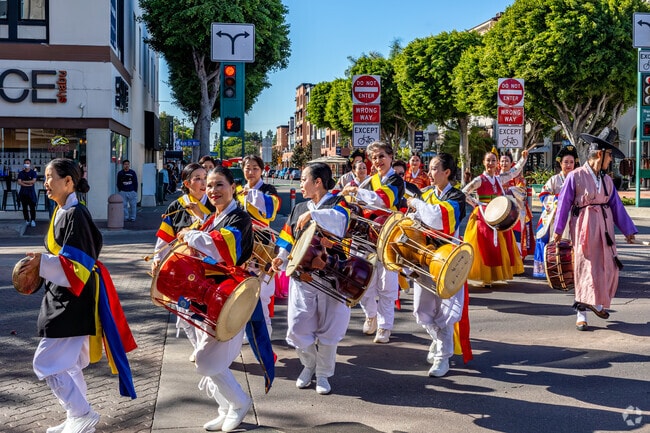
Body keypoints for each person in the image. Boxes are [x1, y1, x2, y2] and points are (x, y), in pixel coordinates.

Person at [20, 158, 136, 433]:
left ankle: (82, 413)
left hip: (73, 298)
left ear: (68, 182)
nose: (45, 182)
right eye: (45, 176)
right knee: (69, 364)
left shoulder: (75, 214)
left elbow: (79, 266)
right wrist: (43, 262)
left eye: (50, 177)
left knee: (46, 362)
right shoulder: (63, 211)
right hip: (64, 295)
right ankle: (77, 419)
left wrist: (42, 262)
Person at [176, 166, 255, 432]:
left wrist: (190, 234)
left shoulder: (240, 218)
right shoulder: (213, 218)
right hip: (209, 294)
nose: (213, 191)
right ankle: (226, 407)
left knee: (207, 359)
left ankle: (240, 401)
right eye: (209, 186)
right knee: (207, 356)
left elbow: (220, 247)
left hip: (230, 295)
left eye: (219, 185)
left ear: (233, 187)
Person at [271, 162, 352, 395]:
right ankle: (309, 365)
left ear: (318, 182)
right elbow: (288, 235)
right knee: (297, 327)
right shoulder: (298, 208)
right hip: (302, 275)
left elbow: (339, 223)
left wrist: (314, 213)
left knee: (330, 327)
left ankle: (324, 374)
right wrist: (282, 256)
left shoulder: (339, 203)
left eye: (304, 179)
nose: (300, 184)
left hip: (331, 275)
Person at [553, 133, 637, 332]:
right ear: (599, 155)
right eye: (609, 156)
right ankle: (581, 313)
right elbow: (564, 204)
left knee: (608, 266)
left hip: (605, 226)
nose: (610, 161)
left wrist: (628, 230)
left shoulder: (607, 180)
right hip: (584, 226)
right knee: (585, 267)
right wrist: (558, 230)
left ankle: (597, 301)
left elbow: (616, 206)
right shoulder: (575, 176)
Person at [406, 153, 471, 377]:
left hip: (447, 261)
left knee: (446, 310)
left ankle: (443, 356)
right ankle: (438, 341)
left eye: (434, 169)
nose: (430, 173)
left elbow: (438, 219)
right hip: (424, 258)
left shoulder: (456, 197)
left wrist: (415, 203)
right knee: (421, 309)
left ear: (447, 173)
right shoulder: (426, 194)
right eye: (430, 168)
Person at [341, 141, 404, 344]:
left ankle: (385, 327)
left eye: (382, 156)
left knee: (387, 284)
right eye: (374, 157)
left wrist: (356, 193)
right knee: (360, 280)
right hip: (363, 235)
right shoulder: (367, 182)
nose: (378, 161)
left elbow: (382, 201)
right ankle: (371, 314)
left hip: (388, 236)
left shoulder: (395, 181)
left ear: (391, 157)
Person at [153, 163, 215, 361]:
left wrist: (202, 215)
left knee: (207, 314)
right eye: (197, 178)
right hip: (183, 268)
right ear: (187, 183)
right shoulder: (177, 206)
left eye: (205, 177)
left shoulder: (215, 203)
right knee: (184, 313)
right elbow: (164, 237)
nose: (203, 182)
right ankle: (199, 348)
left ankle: (207, 350)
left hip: (211, 268)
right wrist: (157, 258)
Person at [462, 149, 528, 287]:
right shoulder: (479, 180)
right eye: (488, 160)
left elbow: (514, 172)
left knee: (500, 245)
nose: (490, 163)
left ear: (497, 163)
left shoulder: (499, 179)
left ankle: (494, 275)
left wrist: (523, 159)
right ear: (483, 163)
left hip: (498, 214)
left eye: (493, 161)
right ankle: (486, 276)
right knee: (486, 245)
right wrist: (476, 204)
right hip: (484, 215)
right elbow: (463, 193)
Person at [239, 155, 281, 337]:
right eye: (247, 168)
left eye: (255, 168)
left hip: (264, 241)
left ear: (262, 170)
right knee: (243, 288)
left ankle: (265, 329)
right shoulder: (238, 190)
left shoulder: (267, 189)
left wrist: (252, 195)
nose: (251, 172)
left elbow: (272, 210)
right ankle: (246, 331)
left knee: (263, 289)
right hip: (242, 242)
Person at [532, 145, 579, 278]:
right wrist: (559, 200)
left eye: (571, 162)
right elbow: (543, 195)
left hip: (572, 215)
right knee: (545, 236)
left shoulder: (577, 179)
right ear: (560, 163)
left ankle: (571, 268)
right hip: (554, 216)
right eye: (566, 162)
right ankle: (548, 268)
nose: (569, 165)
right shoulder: (554, 180)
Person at [499, 152, 534, 258]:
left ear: (511, 163)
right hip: (500, 210)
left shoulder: (517, 177)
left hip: (516, 209)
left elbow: (522, 192)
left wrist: (508, 190)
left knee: (516, 233)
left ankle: (517, 257)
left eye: (507, 161)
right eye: (502, 161)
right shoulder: (496, 176)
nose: (504, 163)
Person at [17, 158, 38, 227]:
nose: (26, 164)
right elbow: (19, 182)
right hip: (23, 193)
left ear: (30, 164)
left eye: (28, 163)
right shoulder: (21, 173)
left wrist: (24, 181)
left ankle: (33, 220)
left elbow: (33, 181)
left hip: (31, 192)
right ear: (23, 164)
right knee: (24, 207)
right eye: (25, 163)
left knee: (32, 207)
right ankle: (26, 220)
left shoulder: (33, 172)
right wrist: (27, 184)